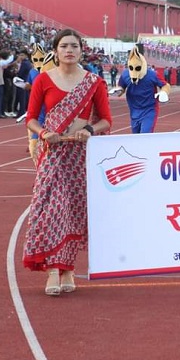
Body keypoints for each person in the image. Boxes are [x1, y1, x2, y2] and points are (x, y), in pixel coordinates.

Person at [23, 29, 112, 296]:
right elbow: (30, 118)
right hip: (52, 151)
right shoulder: (43, 80)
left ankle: (69, 268)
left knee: (73, 210)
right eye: (64, 46)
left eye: (74, 46)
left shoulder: (93, 82)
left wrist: (90, 131)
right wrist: (43, 133)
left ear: (82, 51)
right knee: (51, 207)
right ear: (56, 51)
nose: (69, 50)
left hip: (79, 154)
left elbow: (106, 119)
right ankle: (52, 269)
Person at [113, 44, 170, 133]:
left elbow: (165, 85)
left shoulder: (152, 75)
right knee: (136, 137)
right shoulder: (125, 74)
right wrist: (118, 91)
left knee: (145, 135)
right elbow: (121, 87)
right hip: (134, 111)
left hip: (149, 110)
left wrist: (163, 92)